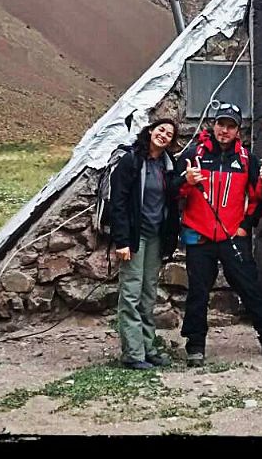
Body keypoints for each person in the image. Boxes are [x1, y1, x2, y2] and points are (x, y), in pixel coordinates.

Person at [173, 102, 262, 366]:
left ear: (238, 131)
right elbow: (173, 193)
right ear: (213, 125)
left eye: (231, 126)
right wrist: (185, 182)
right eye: (221, 124)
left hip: (233, 235)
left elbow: (259, 196)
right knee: (198, 292)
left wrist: (247, 224)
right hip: (199, 236)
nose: (224, 130)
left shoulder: (247, 159)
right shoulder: (193, 155)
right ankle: (195, 345)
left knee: (249, 286)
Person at [109, 118, 181, 370]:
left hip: (155, 236)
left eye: (169, 134)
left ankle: (149, 348)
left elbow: (172, 199)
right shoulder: (132, 161)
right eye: (160, 129)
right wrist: (122, 240)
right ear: (150, 131)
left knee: (148, 294)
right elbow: (117, 201)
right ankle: (133, 354)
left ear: (171, 142)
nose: (163, 135)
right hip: (134, 236)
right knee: (131, 292)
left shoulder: (167, 165)